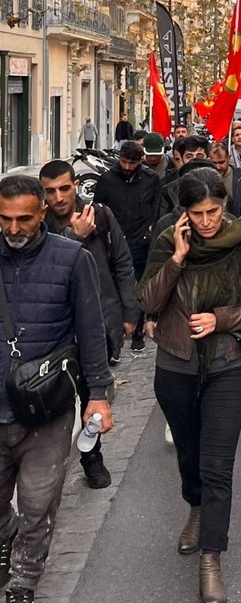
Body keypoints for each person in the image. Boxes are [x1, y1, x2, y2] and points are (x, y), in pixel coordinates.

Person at [140, 169, 241, 603]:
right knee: (190, 456)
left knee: (218, 465)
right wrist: (178, 257)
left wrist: (222, 319)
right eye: (197, 213)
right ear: (185, 212)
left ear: (224, 203)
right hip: (176, 364)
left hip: (228, 363)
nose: (207, 221)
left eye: (213, 210)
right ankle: (194, 507)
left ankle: (211, 558)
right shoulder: (167, 241)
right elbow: (148, 301)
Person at [0, 175, 114, 603]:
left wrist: (99, 395)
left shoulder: (72, 259)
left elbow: (91, 331)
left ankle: (24, 580)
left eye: (24, 219)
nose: (13, 229)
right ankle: (7, 539)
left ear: (43, 213)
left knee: (37, 502)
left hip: (47, 407)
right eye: (5, 219)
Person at [40, 160, 137, 489]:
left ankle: (92, 457)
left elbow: (122, 264)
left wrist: (129, 312)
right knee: (55, 396)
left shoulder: (102, 216)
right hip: (55, 328)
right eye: (50, 191)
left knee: (94, 395)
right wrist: (72, 237)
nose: (58, 197)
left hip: (97, 319)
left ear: (76, 184)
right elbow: (44, 269)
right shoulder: (38, 224)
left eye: (64, 188)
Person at [93, 140, 161, 351]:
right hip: (114, 242)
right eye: (124, 162)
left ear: (140, 161)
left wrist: (150, 232)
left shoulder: (151, 179)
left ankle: (138, 330)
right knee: (114, 288)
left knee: (138, 286)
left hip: (140, 241)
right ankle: (114, 334)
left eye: (132, 163)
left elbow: (156, 209)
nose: (127, 167)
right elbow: (98, 210)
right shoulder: (107, 179)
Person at [208, 141, 241, 217]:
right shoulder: (204, 178)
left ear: (229, 158)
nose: (218, 167)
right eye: (214, 163)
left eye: (221, 162)